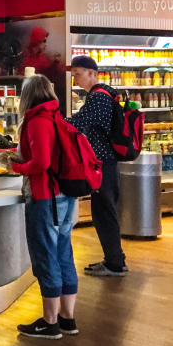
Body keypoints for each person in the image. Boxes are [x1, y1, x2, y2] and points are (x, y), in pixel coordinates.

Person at [8, 75, 79, 340]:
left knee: (46, 256)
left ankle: (50, 322)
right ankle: (67, 318)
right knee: (63, 254)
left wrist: (15, 167)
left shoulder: (37, 120)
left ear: (28, 96)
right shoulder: (55, 116)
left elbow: (41, 163)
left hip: (45, 196)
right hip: (63, 195)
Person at [68, 55, 127, 277]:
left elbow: (80, 123)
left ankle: (115, 263)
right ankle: (113, 259)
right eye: (73, 75)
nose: (76, 80)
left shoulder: (98, 97)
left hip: (104, 163)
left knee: (104, 212)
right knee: (103, 212)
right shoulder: (101, 95)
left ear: (92, 73)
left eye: (78, 74)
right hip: (105, 162)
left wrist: (53, 121)